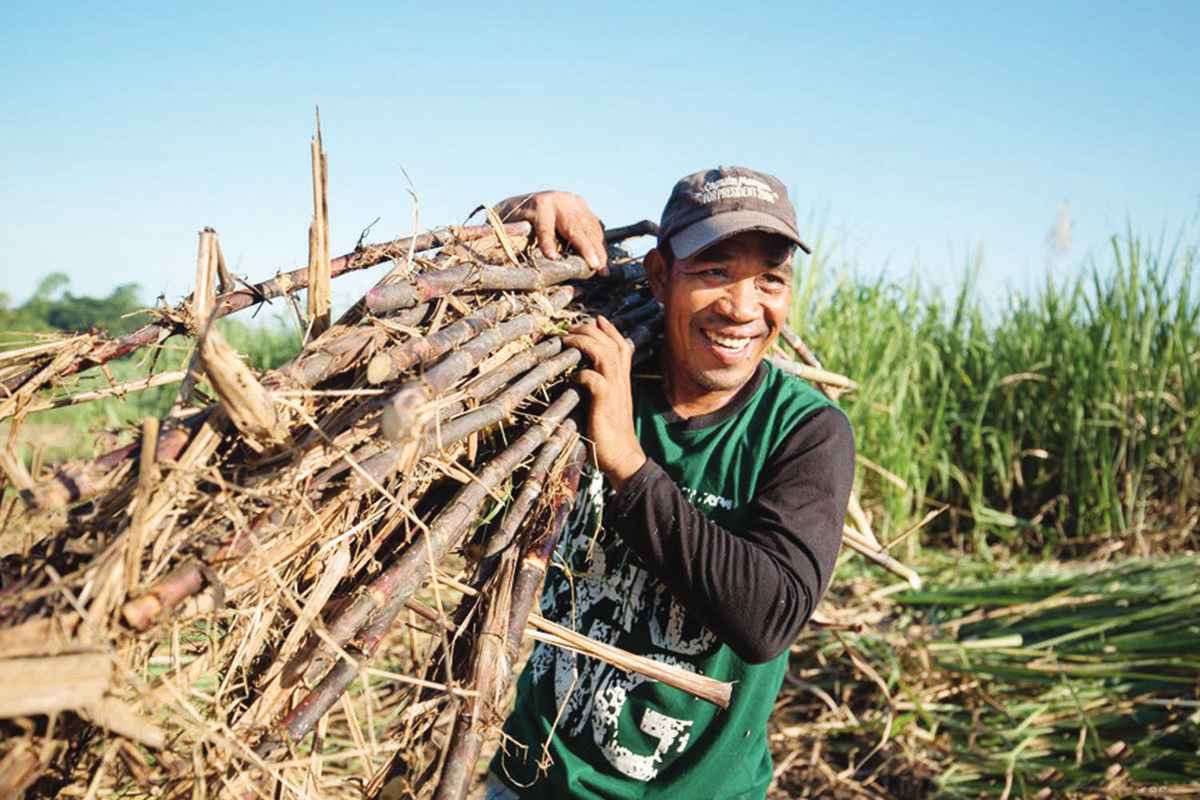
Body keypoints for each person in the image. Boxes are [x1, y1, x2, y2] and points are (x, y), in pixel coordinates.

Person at [485, 167, 855, 799]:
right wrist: (522, 207)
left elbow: (769, 618)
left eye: (770, 279)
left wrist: (627, 465)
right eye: (714, 273)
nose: (743, 308)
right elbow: (481, 305)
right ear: (659, 277)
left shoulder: (806, 433)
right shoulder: (585, 378)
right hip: (534, 785)